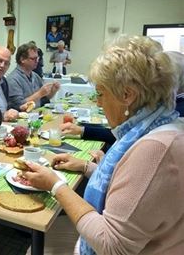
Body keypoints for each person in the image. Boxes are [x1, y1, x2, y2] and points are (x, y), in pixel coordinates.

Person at [22, 35, 184, 255]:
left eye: (100, 94)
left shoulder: (155, 148)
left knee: (37, 246)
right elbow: (135, 189)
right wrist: (86, 167)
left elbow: (111, 245)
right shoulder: (162, 126)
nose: (98, 102)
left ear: (127, 95)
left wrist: (56, 186)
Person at [7, 42, 60, 111]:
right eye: (33, 59)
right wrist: (39, 93)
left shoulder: (35, 76)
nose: (37, 61)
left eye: (37, 58)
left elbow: (44, 99)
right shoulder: (13, 79)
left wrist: (53, 91)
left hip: (36, 115)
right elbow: (19, 105)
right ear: (22, 59)